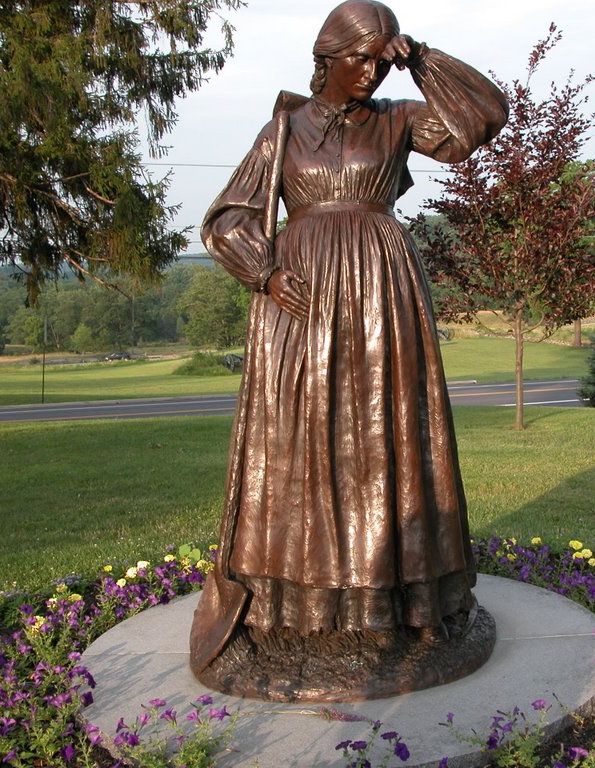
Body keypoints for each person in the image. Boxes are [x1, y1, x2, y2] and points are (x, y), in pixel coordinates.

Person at [191, 0, 508, 671]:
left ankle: (395, 600)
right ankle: (299, 607)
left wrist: (420, 58)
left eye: (377, 57)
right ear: (326, 57)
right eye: (357, 56)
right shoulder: (285, 128)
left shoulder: (397, 121)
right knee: (301, 441)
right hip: (300, 303)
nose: (368, 71)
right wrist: (265, 273)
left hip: (383, 294)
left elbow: (483, 119)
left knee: (383, 435)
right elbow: (226, 218)